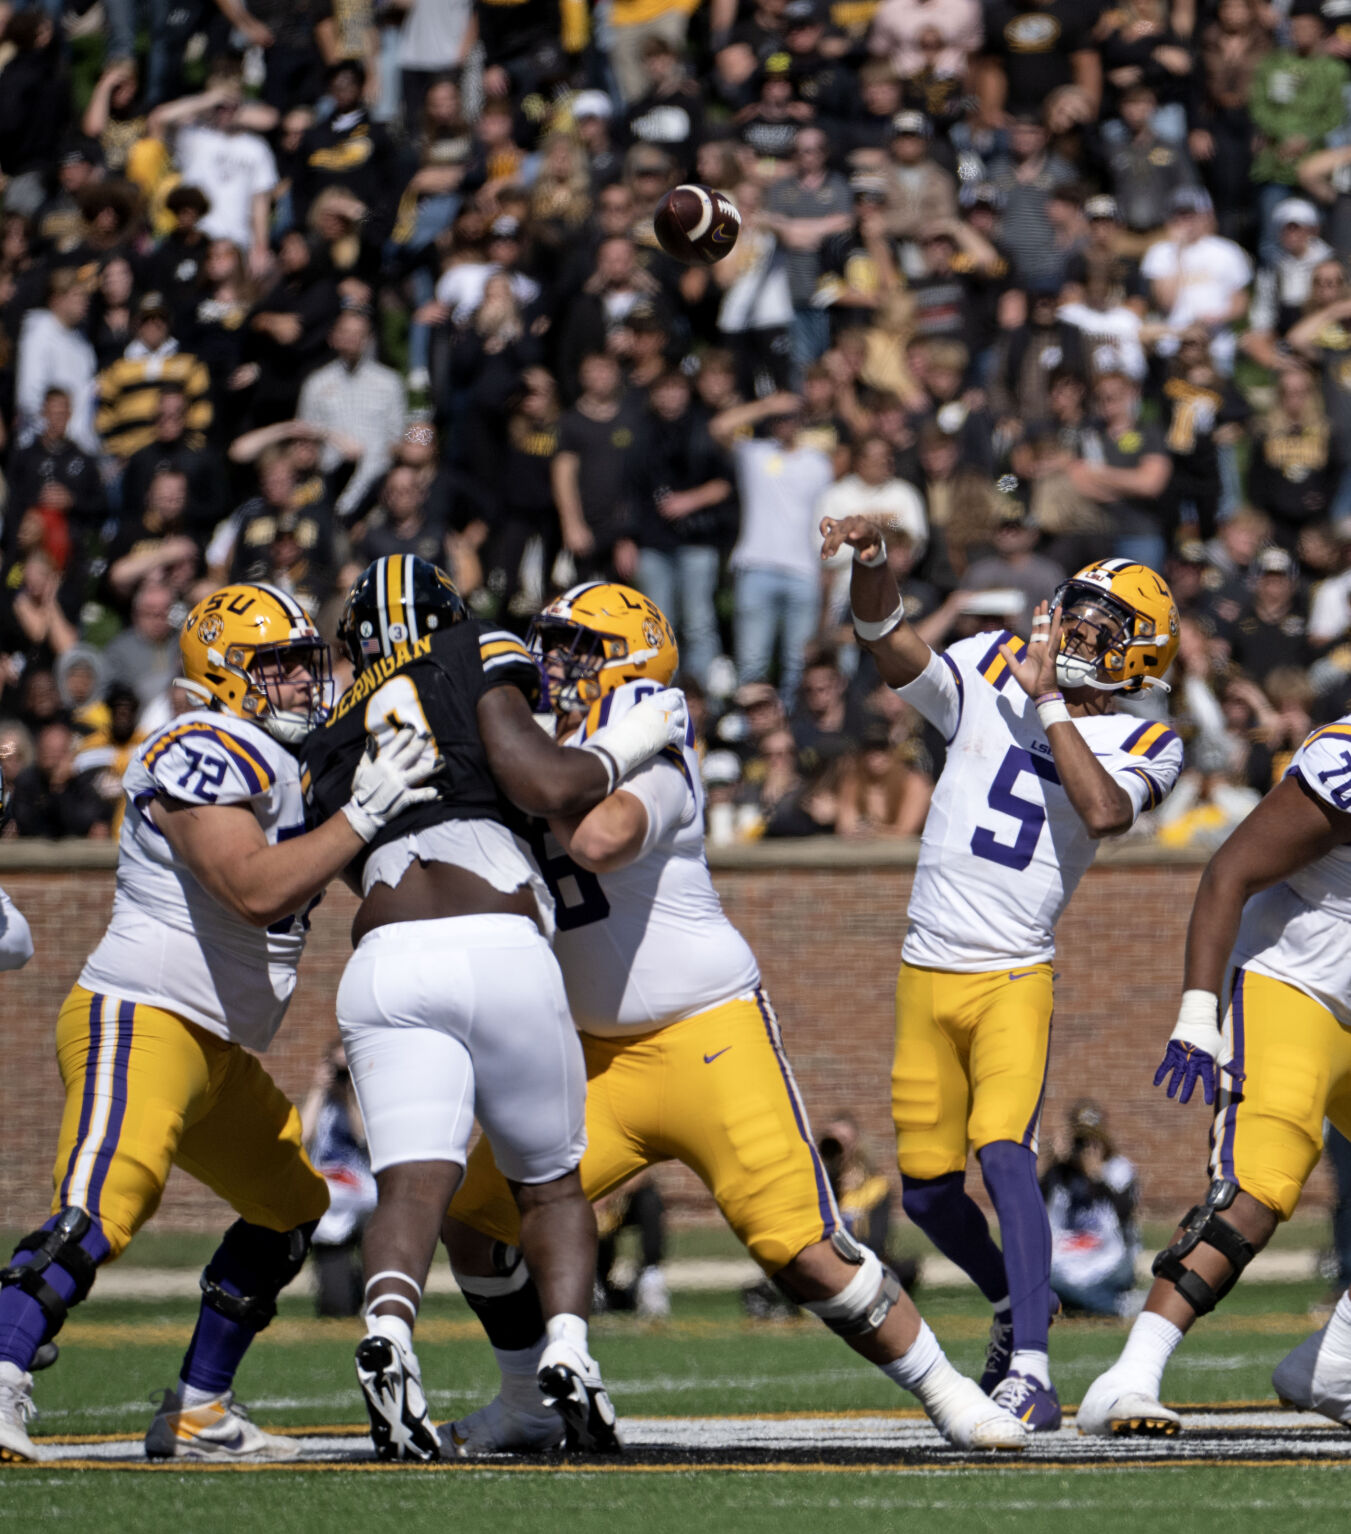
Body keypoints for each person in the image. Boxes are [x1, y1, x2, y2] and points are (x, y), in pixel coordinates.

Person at [440, 582, 1028, 1456]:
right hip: (593, 1057)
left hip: (706, 1036)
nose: (554, 665)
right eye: (550, 645)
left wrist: (535, 765)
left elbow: (598, 840)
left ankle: (949, 1395)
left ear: (631, 666)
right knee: (475, 1216)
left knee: (801, 1252)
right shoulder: (547, 751)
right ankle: (527, 1403)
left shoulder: (657, 759)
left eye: (577, 649)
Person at [0, 582, 440, 1465]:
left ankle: (198, 1410)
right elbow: (251, 889)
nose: (298, 684)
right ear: (224, 675)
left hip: (214, 1046)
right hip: (142, 1017)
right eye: (275, 667)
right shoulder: (200, 743)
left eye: (300, 665)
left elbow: (331, 869)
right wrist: (363, 811)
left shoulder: (290, 764)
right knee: (98, 1215)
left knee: (290, 1208)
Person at [299, 558, 690, 1461]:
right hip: (496, 941)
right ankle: (569, 1350)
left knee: (412, 1183)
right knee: (548, 1184)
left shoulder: (328, 734)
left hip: (384, 959)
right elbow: (544, 782)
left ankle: (390, 1331)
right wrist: (632, 740)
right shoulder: (475, 648)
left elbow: (358, 856)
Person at [820, 515, 1184, 1431]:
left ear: (1134, 659)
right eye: (1076, 618)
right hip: (922, 966)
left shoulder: (1147, 741)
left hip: (1011, 972)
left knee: (1005, 1154)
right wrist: (873, 568)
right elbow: (888, 646)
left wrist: (1050, 703)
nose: (1072, 638)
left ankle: (1031, 1365)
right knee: (928, 1192)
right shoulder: (988, 665)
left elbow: (1101, 813)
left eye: (1099, 634)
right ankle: (1015, 1300)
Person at [1078, 705, 1351, 1435]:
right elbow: (1228, 871)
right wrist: (1197, 1014)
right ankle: (1128, 1374)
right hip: (1293, 984)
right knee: (1257, 1188)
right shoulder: (1345, 759)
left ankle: (1332, 1367)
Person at [1040, 1101, 1140, 1318]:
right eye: (1080, 1141)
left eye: (1092, 1140)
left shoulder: (1118, 1169)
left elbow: (1126, 1213)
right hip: (1063, 1263)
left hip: (1108, 1261)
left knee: (1045, 1296)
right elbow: (1034, 1207)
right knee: (1040, 1280)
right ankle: (1115, 1306)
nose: (1085, 1148)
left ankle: (1074, 1303)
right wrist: (1051, 1163)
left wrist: (1098, 1177)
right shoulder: (1058, 1173)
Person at [300, 1043, 376, 1319]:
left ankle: (371, 1295)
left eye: (348, 1070)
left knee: (379, 1276)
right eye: (337, 1069)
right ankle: (345, 1287)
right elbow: (301, 1137)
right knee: (337, 1309)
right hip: (329, 1203)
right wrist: (318, 1089)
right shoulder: (320, 1103)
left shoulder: (364, 1102)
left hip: (367, 1201)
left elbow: (363, 1136)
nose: (342, 1076)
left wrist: (351, 1096)